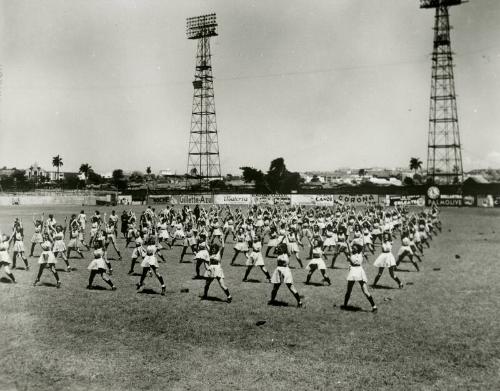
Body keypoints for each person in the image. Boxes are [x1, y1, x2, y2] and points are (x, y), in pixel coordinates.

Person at [341, 243, 377, 312]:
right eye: (352, 248)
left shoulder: (361, 254)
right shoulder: (351, 254)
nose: (353, 248)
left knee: (365, 291)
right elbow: (348, 248)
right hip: (353, 272)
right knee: (349, 290)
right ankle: (345, 306)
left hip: (360, 272)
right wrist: (347, 243)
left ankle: (374, 306)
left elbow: (363, 245)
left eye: (354, 247)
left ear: (358, 249)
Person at [268, 243, 303, 307]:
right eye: (278, 247)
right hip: (278, 270)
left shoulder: (286, 254)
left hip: (285, 271)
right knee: (275, 287)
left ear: (283, 249)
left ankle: (299, 302)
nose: (278, 248)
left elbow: (286, 249)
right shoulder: (279, 253)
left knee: (291, 287)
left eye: (280, 248)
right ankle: (272, 300)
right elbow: (275, 251)